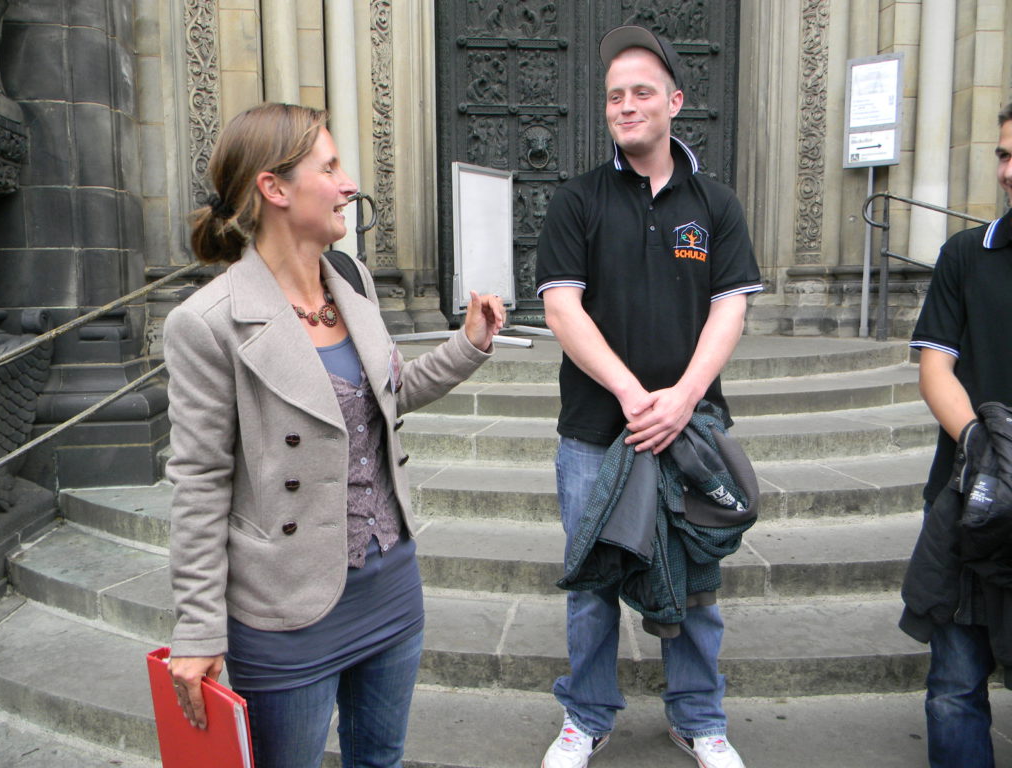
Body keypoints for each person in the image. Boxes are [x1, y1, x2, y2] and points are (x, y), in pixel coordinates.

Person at [163, 102, 505, 768]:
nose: (349, 183)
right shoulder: (207, 323)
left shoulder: (350, 281)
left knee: (381, 760)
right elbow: (199, 482)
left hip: (390, 586)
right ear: (275, 188)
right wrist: (198, 628)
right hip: (287, 610)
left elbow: (387, 396)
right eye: (331, 166)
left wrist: (468, 346)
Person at [534, 25, 762, 768]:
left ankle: (699, 717)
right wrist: (636, 396)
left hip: (691, 432)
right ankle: (587, 716)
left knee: (696, 575)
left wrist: (682, 399)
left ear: (675, 101)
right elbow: (564, 309)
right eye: (613, 97)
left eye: (640, 93)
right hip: (596, 431)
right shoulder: (577, 201)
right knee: (591, 582)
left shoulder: (716, 204)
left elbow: (730, 307)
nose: (625, 107)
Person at [903, 101, 1012, 768]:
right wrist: (981, 445)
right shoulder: (967, 255)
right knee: (953, 687)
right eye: (1003, 153)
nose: (1009, 169)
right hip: (968, 501)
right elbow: (935, 366)